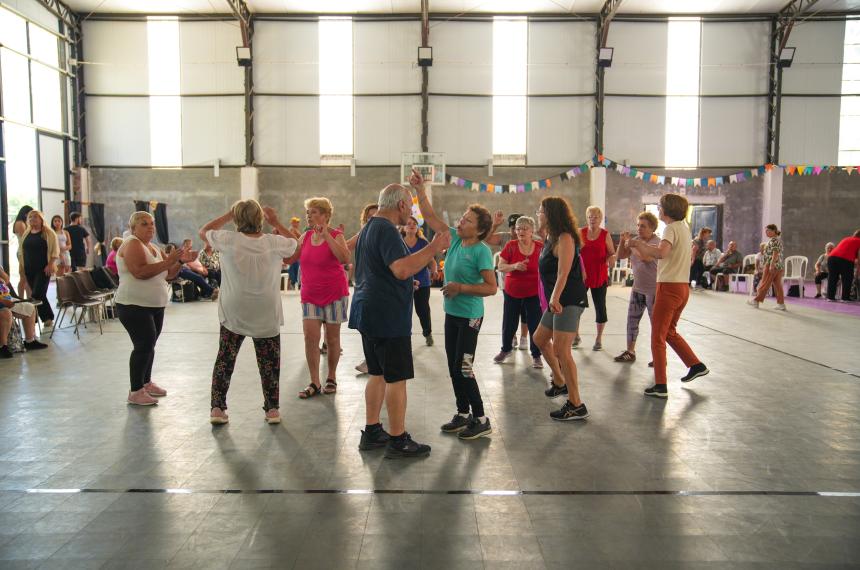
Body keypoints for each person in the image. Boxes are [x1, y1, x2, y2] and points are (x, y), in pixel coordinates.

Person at [349, 179, 449, 458]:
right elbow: (402, 269)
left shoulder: (370, 226)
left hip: (367, 309)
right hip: (386, 314)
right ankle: (397, 439)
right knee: (396, 379)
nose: (412, 214)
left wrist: (405, 285)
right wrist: (434, 248)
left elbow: (383, 270)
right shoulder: (387, 230)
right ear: (401, 204)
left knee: (377, 374)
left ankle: (372, 432)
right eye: (410, 206)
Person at [414, 171, 497, 440]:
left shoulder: (481, 250)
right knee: (452, 365)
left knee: (464, 366)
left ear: (480, 229)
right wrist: (420, 190)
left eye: (467, 220)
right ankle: (463, 413)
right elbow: (429, 217)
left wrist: (461, 288)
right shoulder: (455, 238)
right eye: (462, 217)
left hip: (471, 316)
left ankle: (481, 418)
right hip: (452, 314)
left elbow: (491, 288)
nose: (461, 221)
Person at [200, 201, 298, 425]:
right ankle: (272, 410)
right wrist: (276, 222)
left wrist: (227, 214)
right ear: (261, 219)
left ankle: (217, 408)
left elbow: (203, 231)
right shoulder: (274, 242)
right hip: (265, 309)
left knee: (225, 359)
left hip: (235, 309)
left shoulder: (227, 240)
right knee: (269, 363)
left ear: (236, 219)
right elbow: (295, 244)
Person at [628, 193, 709, 398]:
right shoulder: (683, 227)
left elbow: (661, 253)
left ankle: (661, 385)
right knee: (670, 332)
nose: (658, 208)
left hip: (668, 287)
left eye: (660, 206)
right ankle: (695, 364)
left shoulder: (670, 228)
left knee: (658, 336)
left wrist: (638, 245)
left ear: (667, 209)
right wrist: (644, 246)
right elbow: (665, 249)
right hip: (682, 288)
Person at [115, 212, 193, 406]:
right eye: (144, 224)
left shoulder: (153, 247)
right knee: (143, 345)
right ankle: (135, 391)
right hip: (133, 304)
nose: (150, 227)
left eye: (152, 224)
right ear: (133, 228)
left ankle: (146, 382)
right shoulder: (132, 243)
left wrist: (181, 261)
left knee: (149, 345)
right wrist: (168, 261)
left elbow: (168, 274)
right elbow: (140, 272)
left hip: (154, 305)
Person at [286, 197, 351, 398]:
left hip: (334, 294)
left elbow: (344, 258)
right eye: (308, 212)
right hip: (310, 295)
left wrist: (327, 237)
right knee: (310, 338)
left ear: (325, 215)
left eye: (314, 212)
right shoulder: (304, 237)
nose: (309, 215)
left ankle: (331, 377)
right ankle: (314, 381)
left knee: (332, 339)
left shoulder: (336, 235)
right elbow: (290, 258)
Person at [533, 196, 590, 421]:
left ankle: (576, 403)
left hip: (568, 300)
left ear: (550, 215)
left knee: (562, 351)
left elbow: (563, 272)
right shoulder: (550, 238)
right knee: (539, 339)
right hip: (556, 301)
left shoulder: (565, 238)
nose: (538, 214)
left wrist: (555, 298)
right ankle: (559, 381)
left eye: (540, 211)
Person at [494, 215, 544, 369]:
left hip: (534, 292)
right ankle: (506, 349)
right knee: (509, 322)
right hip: (512, 290)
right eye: (518, 228)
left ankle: (536, 355)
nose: (520, 231)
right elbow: (500, 267)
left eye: (524, 228)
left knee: (535, 324)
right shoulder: (511, 245)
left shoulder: (540, 247)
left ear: (532, 231)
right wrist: (514, 266)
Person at [613, 212, 660, 364]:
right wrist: (622, 242)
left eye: (643, 226)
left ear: (652, 228)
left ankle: (659, 357)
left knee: (656, 325)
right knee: (632, 322)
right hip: (637, 289)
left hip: (653, 291)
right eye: (638, 225)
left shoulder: (657, 243)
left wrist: (631, 244)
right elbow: (620, 255)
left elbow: (645, 258)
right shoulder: (635, 241)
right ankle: (630, 351)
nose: (639, 229)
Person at [577, 206, 615, 351]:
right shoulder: (581, 232)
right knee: (576, 307)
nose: (593, 219)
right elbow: (574, 252)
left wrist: (611, 258)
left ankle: (598, 339)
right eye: (590, 217)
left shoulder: (605, 234)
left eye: (596, 217)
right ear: (586, 218)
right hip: (582, 276)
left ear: (600, 219)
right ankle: (576, 335)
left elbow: (611, 253)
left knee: (600, 307)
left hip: (599, 276)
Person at [350, 203, 379, 375]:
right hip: (362, 286)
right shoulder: (362, 234)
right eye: (369, 217)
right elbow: (345, 246)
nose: (372, 220)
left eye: (376, 217)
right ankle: (370, 359)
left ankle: (372, 361)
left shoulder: (387, 234)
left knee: (374, 327)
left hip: (376, 288)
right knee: (364, 326)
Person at [20, 210, 59, 328]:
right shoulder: (26, 233)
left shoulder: (48, 233)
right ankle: (47, 318)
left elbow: (55, 250)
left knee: (37, 294)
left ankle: (33, 318)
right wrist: (21, 267)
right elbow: (22, 251)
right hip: (29, 268)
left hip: (43, 269)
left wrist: (51, 264)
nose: (32, 219)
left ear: (41, 219)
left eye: (35, 217)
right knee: (40, 295)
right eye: (30, 217)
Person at [402, 216, 436, 347]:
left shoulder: (423, 243)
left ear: (417, 228)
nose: (411, 225)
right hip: (404, 281)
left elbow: (431, 261)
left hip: (422, 282)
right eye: (408, 223)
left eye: (414, 224)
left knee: (422, 310)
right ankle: (404, 335)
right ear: (403, 228)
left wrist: (434, 270)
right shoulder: (398, 242)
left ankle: (427, 333)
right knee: (404, 310)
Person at [0, 268, 48, 357]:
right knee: (5, 312)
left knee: (29, 307)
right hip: (2, 302)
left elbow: (6, 280)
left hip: (6, 297)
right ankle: (3, 346)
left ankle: (29, 341)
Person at [749, 224, 786, 310]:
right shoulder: (777, 240)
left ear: (774, 231)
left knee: (764, 283)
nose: (766, 232)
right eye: (766, 231)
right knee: (777, 286)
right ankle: (781, 304)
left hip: (771, 265)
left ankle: (756, 301)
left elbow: (775, 253)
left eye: (768, 231)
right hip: (779, 266)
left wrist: (771, 265)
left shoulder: (774, 241)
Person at [826, 230, 860, 302]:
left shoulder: (846, 238)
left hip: (831, 258)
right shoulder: (859, 241)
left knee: (832, 278)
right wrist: (857, 271)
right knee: (847, 278)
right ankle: (845, 298)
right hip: (845, 260)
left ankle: (830, 297)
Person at [12, 205, 34, 298]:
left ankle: (29, 299)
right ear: (26, 214)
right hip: (23, 252)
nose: (32, 217)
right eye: (30, 215)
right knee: (23, 278)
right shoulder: (20, 223)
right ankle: (20, 299)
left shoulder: (24, 222)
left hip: (26, 252)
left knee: (28, 278)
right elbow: (25, 238)